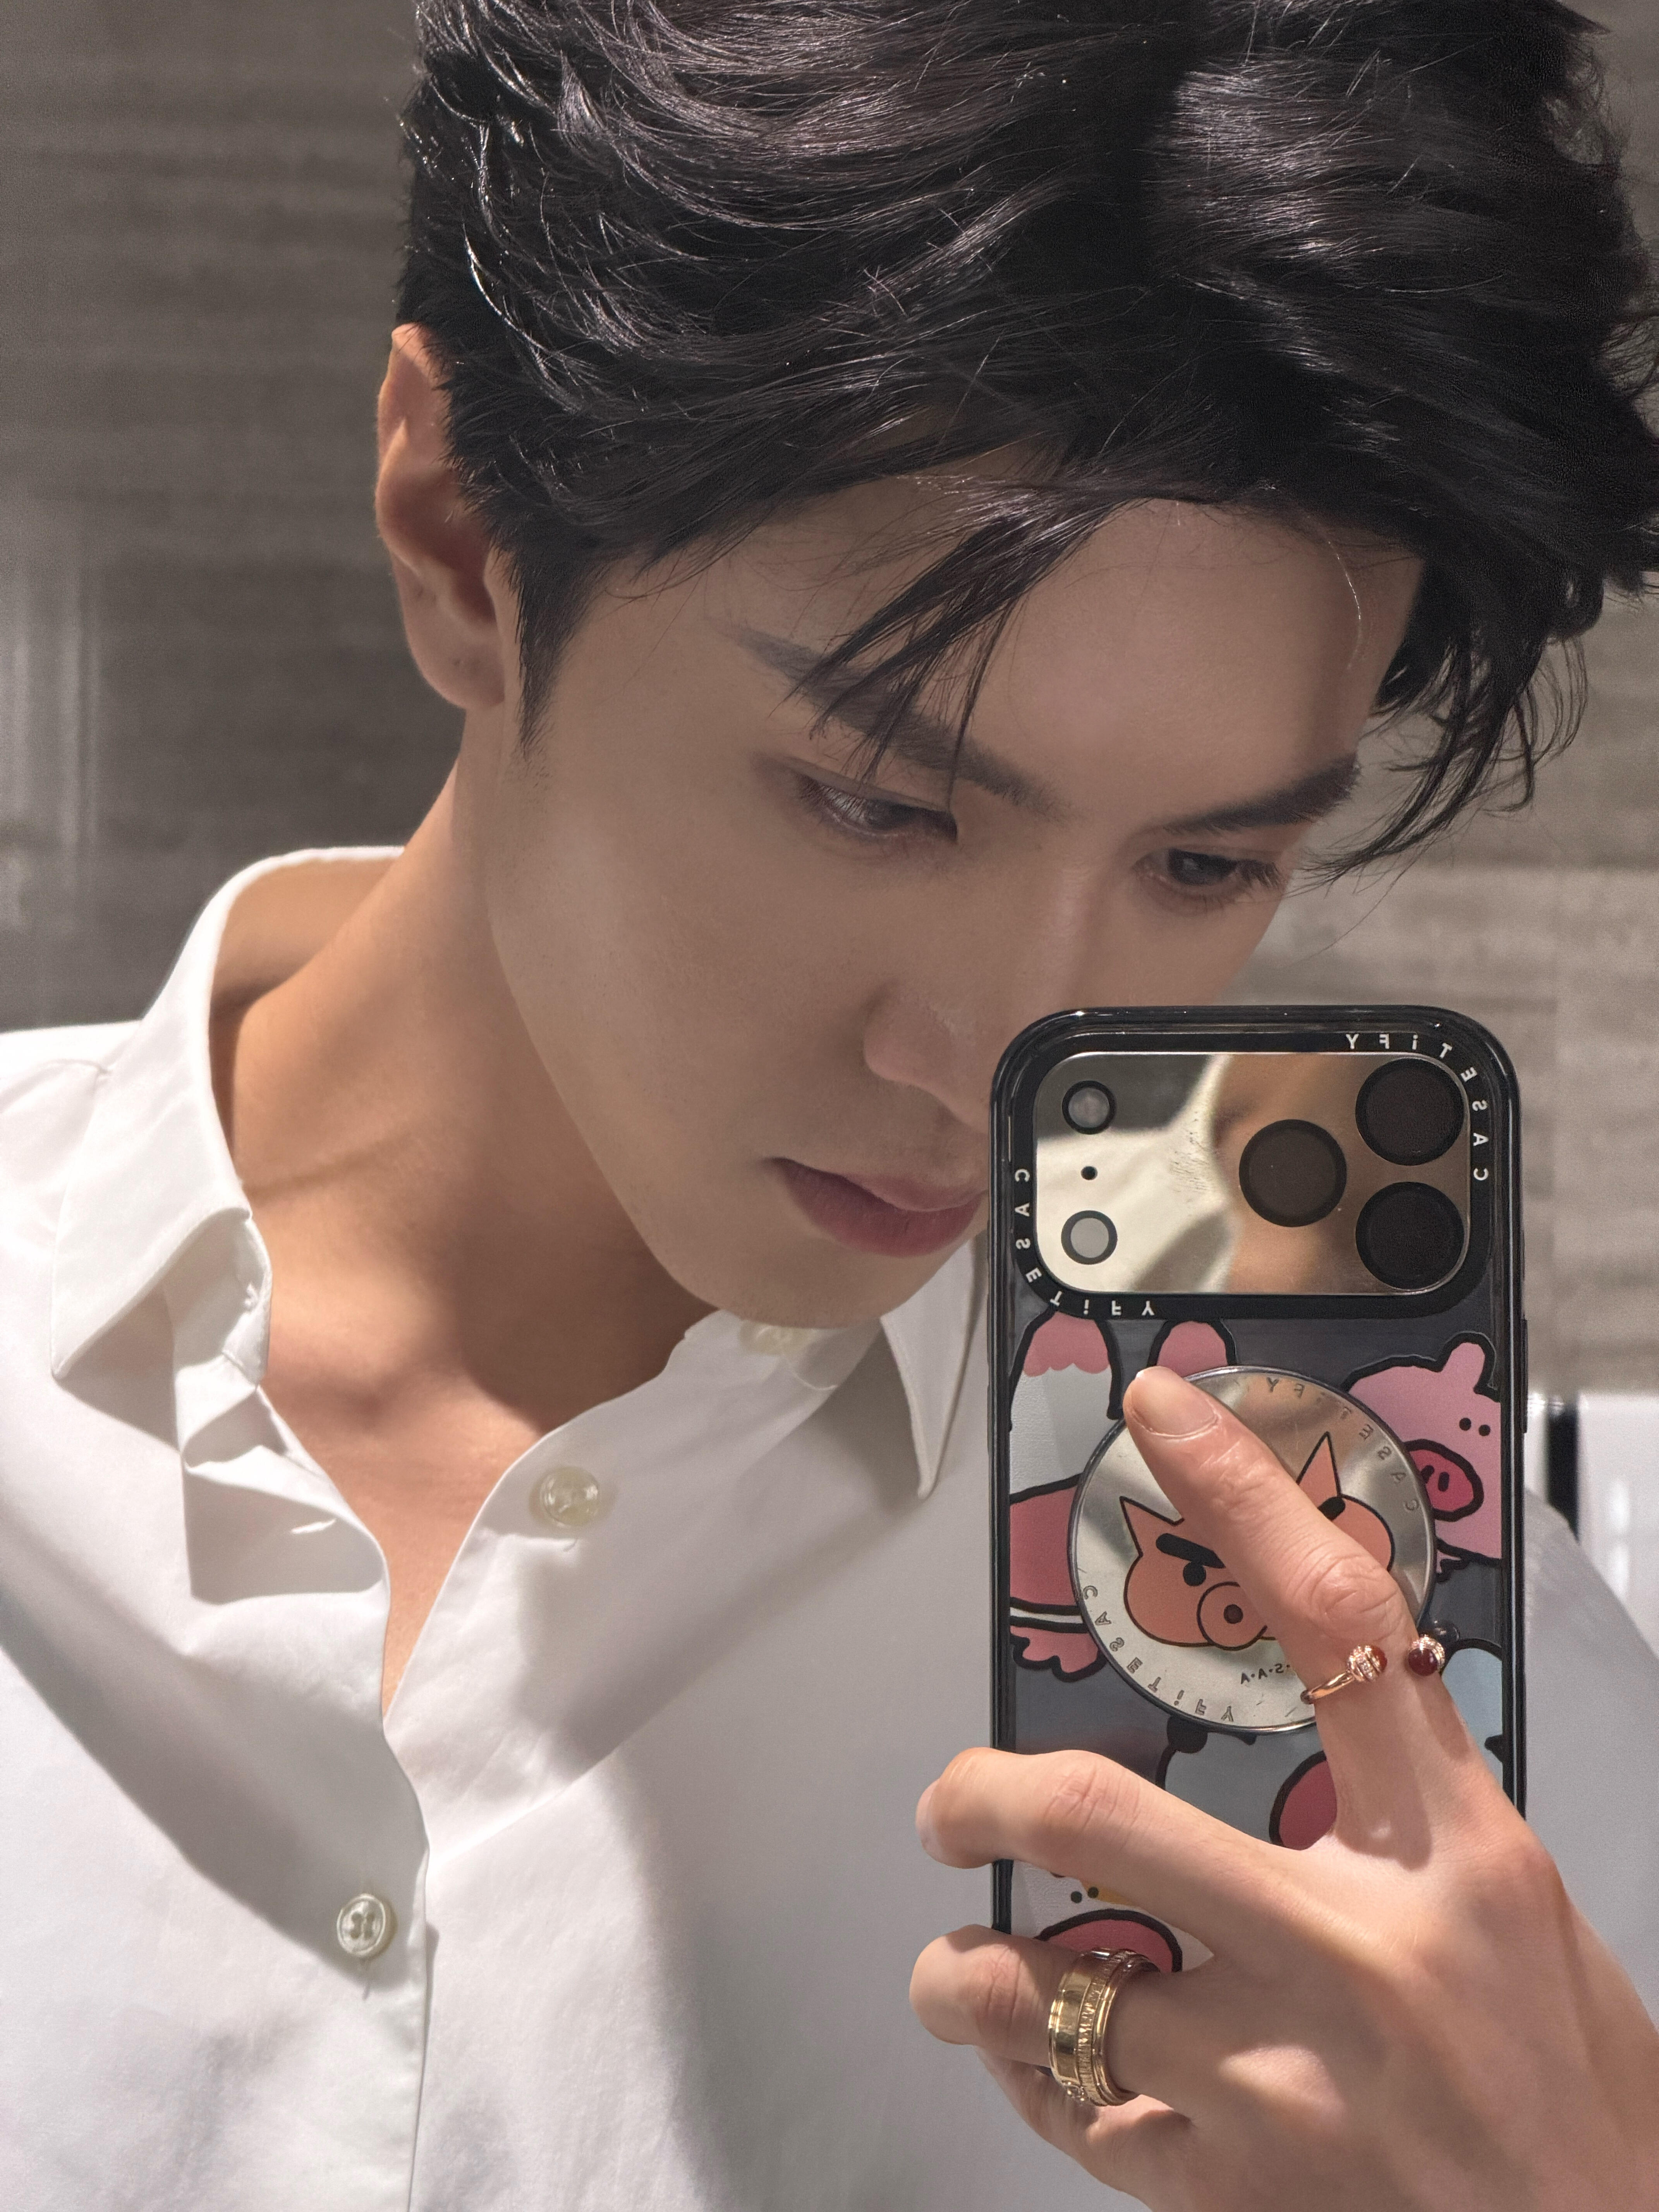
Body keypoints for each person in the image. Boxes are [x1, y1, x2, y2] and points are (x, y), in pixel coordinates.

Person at [2, 2, 1657, 2206]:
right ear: (461, 529)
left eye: (1204, 865)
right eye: (877, 802)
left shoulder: (1429, 1725)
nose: (997, 1068)